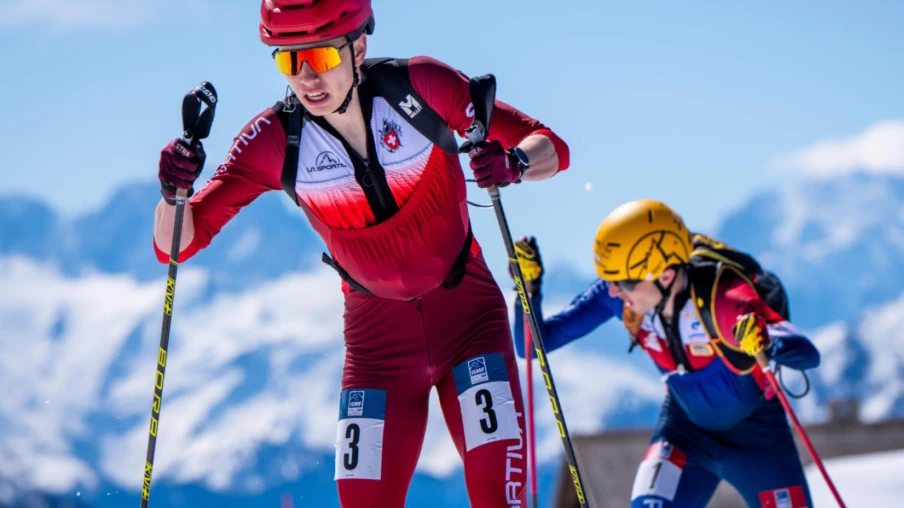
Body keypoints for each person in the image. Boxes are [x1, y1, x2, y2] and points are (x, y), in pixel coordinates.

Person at [152, 1, 569, 506]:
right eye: (289, 60)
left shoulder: (422, 87)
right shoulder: (273, 141)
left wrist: (515, 163)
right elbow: (175, 244)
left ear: (359, 46)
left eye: (322, 57)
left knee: (499, 495)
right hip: (378, 351)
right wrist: (174, 191)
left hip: (469, 321)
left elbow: (551, 145)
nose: (307, 77)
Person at [511, 199, 820, 508]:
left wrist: (765, 339)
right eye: (610, 279)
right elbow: (534, 345)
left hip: (760, 439)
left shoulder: (723, 300)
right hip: (684, 435)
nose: (614, 291)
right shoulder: (622, 296)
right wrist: (528, 289)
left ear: (666, 275)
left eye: (623, 281)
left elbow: (807, 354)